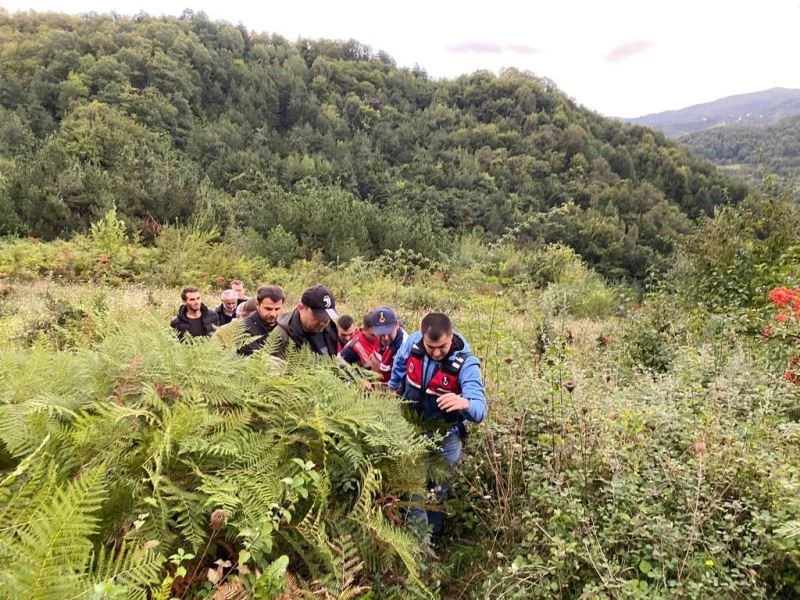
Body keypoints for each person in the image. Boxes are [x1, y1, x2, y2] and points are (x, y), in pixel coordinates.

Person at [388, 312, 487, 539]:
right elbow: (400, 366)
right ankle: (421, 548)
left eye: (441, 346)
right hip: (413, 430)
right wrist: (392, 389)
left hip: (447, 436)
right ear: (422, 337)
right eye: (430, 346)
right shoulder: (412, 344)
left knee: (439, 488)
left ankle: (435, 534)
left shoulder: (467, 363)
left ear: (451, 337)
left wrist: (465, 403)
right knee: (414, 489)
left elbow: (480, 410)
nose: (436, 352)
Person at [273, 284, 339, 358]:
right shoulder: (282, 337)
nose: (323, 322)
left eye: (327, 317)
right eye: (318, 316)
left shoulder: (329, 329)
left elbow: (334, 360)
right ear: (300, 308)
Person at [238, 286, 286, 356]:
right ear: (257, 305)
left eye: (277, 309)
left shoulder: (285, 326)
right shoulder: (244, 328)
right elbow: (258, 361)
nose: (273, 314)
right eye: (268, 309)